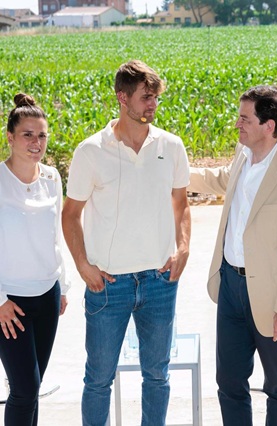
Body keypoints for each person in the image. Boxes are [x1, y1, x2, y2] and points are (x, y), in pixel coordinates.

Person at [61, 60, 191, 426]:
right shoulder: (90, 151)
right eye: (146, 97)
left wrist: (183, 247)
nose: (153, 105)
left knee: (158, 376)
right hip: (108, 284)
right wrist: (83, 265)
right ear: (122, 97)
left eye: (156, 98)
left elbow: (181, 204)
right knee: (98, 380)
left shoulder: (171, 145)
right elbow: (70, 215)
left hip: (159, 281)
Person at [188, 85, 277, 425]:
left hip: (274, 296)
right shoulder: (243, 154)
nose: (237, 124)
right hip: (230, 285)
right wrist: (177, 174)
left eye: (245, 119)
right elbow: (222, 179)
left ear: (269, 126)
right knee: (229, 382)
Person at [0, 93, 69, 425]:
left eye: (42, 135)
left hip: (47, 295)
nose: (36, 142)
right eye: (27, 134)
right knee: (24, 389)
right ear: (10, 137)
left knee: (34, 385)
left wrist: (63, 286)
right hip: (9, 302)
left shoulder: (52, 178)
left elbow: (55, 235)